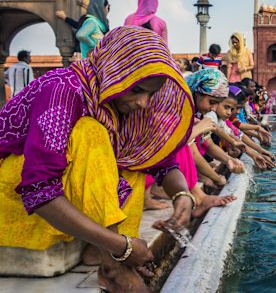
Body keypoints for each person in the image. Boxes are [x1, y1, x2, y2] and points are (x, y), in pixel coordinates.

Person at [0, 26, 196, 292]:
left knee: (136, 153)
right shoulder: (63, 89)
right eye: (137, 90)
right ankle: (112, 266)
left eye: (151, 94)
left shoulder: (122, 106)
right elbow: (39, 190)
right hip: (15, 205)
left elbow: (161, 163)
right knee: (91, 133)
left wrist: (183, 194)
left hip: (53, 204)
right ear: (115, 70)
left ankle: (101, 248)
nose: (143, 103)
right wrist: (123, 248)